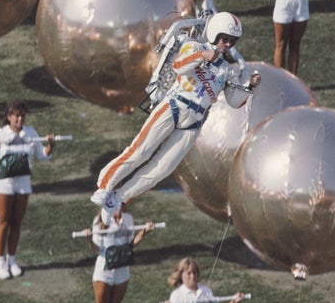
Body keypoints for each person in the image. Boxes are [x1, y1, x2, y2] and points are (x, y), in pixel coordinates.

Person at [91, 12, 261, 224]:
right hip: (174, 106)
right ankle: (105, 184)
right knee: (141, 151)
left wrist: (250, 87)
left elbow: (235, 101)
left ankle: (120, 197)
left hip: (193, 123)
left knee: (162, 169)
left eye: (231, 41)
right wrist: (203, 56)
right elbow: (179, 65)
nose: (227, 44)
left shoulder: (227, 70)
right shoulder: (194, 46)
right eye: (224, 38)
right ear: (214, 33)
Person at [0, 101, 56, 280]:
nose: (20, 119)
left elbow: (43, 155)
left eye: (22, 116)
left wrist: (51, 144)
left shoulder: (31, 133)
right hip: (4, 184)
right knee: (4, 221)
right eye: (16, 116)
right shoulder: (1, 134)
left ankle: (12, 260)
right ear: (9, 117)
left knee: (17, 222)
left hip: (23, 183)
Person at [82, 203, 154, 303]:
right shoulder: (99, 221)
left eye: (120, 204)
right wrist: (89, 239)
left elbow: (130, 244)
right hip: (104, 271)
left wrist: (144, 232)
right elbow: (96, 250)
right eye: (114, 205)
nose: (118, 208)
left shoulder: (128, 219)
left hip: (122, 270)